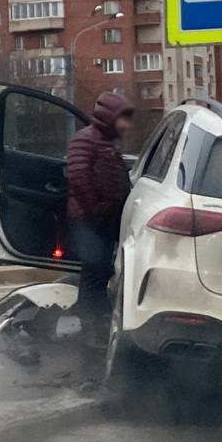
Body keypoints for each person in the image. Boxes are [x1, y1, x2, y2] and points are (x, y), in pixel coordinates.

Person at [65, 91, 134, 348]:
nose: (125, 125)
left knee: (101, 270)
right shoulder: (85, 140)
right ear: (109, 117)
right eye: (122, 119)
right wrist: (96, 209)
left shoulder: (104, 143)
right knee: (93, 272)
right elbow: (78, 177)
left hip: (102, 220)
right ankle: (89, 328)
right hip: (89, 221)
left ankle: (96, 323)